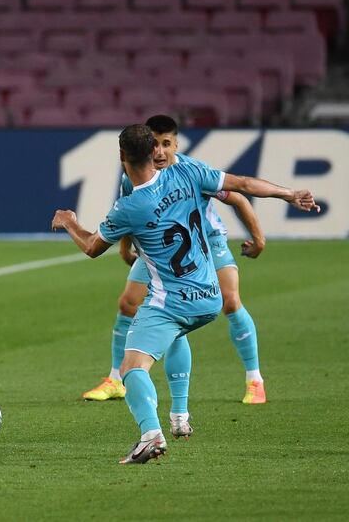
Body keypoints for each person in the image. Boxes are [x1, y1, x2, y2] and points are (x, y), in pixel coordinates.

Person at [52, 124, 318, 464]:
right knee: (174, 332)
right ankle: (180, 416)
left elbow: (91, 247)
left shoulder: (130, 207)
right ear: (154, 153)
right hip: (208, 296)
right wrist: (289, 194)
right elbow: (244, 185)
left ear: (122, 157)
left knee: (133, 368)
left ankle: (151, 435)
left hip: (171, 300)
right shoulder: (190, 172)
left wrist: (70, 222)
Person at [83, 115, 267, 420]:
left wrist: (258, 239)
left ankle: (255, 379)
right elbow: (130, 218)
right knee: (128, 303)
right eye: (154, 145)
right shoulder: (134, 179)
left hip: (206, 240)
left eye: (166, 144)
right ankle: (116, 379)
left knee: (230, 300)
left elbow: (238, 197)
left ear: (176, 145)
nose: (159, 152)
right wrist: (128, 248)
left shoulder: (190, 170)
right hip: (161, 249)